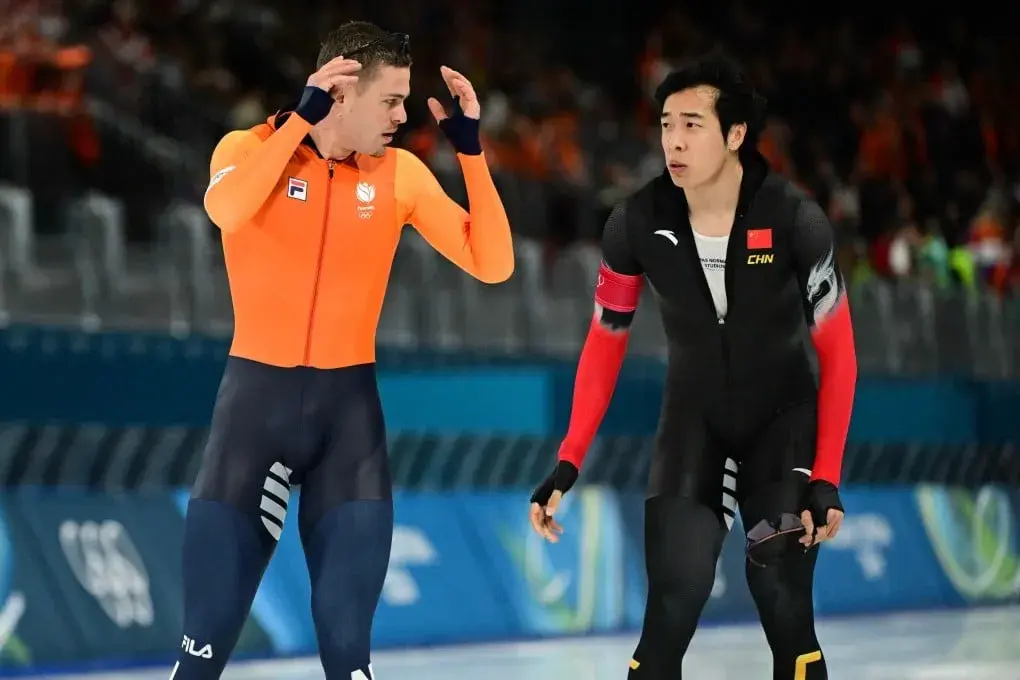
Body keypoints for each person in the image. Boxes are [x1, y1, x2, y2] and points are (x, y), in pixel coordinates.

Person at [172, 21, 514, 680]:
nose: (402, 116)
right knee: (202, 650)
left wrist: (472, 155)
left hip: (348, 427)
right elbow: (228, 211)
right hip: (254, 418)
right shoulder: (248, 148)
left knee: (349, 654)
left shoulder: (400, 176)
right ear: (341, 92)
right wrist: (300, 123)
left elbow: (493, 263)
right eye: (391, 100)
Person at [529, 51, 857, 680]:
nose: (674, 141)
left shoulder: (795, 219)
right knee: (671, 608)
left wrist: (826, 475)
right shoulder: (635, 222)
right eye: (665, 125)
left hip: (782, 423)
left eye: (692, 125)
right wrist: (568, 460)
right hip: (693, 422)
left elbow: (839, 354)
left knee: (781, 594)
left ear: (735, 135)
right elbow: (605, 341)